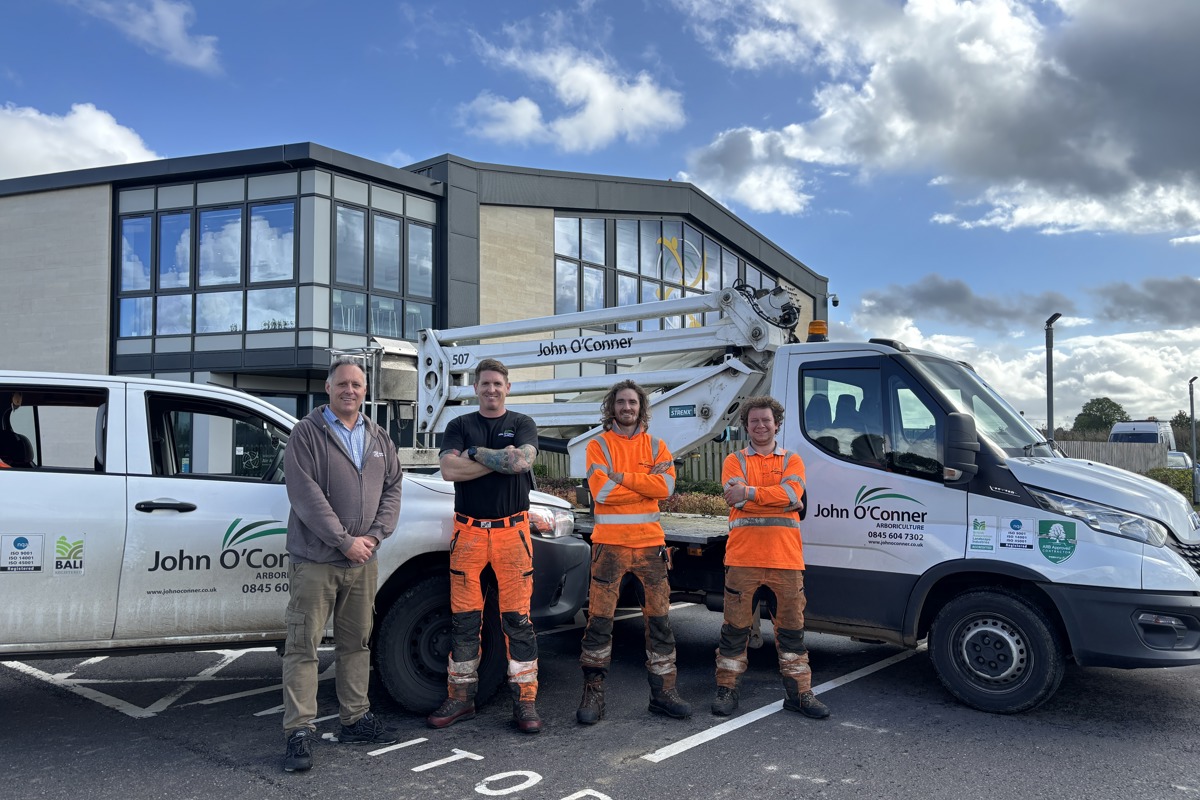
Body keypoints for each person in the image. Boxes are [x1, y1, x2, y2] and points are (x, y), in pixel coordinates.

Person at [280, 357, 404, 773]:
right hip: (317, 559)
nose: (350, 390)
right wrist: (344, 540)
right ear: (328, 389)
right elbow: (305, 495)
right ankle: (299, 731)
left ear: (365, 391)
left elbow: (393, 487)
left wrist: (373, 537)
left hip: (362, 560)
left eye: (357, 384)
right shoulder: (305, 434)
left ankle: (355, 719)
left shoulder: (378, 437)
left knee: (357, 644)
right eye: (342, 384)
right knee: (303, 646)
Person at [427, 357, 542, 734]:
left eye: (498, 383)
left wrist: (473, 454)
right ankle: (461, 698)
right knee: (464, 620)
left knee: (517, 620)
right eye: (485, 383)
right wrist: (499, 461)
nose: (492, 389)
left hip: (513, 533)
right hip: (469, 532)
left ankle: (525, 702)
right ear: (475, 388)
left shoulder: (522, 424)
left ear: (507, 387)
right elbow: (448, 470)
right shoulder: (459, 425)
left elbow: (523, 462)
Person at [576, 379, 692, 724]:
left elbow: (666, 487)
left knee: (659, 622)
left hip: (649, 546)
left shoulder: (657, 445)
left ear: (641, 408)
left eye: (633, 402)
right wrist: (643, 483)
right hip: (609, 546)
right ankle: (593, 695)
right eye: (621, 402)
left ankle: (663, 693)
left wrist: (620, 477)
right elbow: (602, 493)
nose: (627, 408)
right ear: (612, 406)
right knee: (598, 623)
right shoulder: (598, 445)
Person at [711, 396, 830, 720]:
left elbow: (792, 494)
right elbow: (782, 499)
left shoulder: (793, 460)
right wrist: (782, 499)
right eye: (754, 421)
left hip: (786, 561)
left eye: (766, 420)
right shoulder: (733, 461)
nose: (760, 426)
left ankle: (799, 694)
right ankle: (727, 688)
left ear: (777, 424)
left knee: (792, 631)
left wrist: (750, 493)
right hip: (743, 558)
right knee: (734, 629)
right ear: (746, 426)